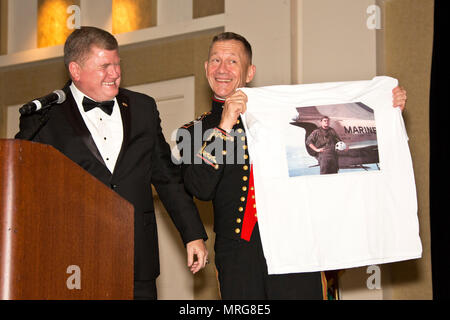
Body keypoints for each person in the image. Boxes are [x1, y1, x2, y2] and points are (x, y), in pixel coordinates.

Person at [176, 31, 408, 300]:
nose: (222, 69)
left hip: (295, 242)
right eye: (215, 61)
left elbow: (339, 135)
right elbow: (199, 186)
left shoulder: (279, 114)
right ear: (206, 68)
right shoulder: (193, 131)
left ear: (249, 72)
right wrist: (225, 124)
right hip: (239, 255)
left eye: (232, 61)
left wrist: (385, 112)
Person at [15, 26, 208, 300]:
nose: (115, 73)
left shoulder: (143, 108)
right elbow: (25, 188)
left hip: (137, 261)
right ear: (75, 70)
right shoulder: (45, 118)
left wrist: (193, 234)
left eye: (117, 64)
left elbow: (168, 178)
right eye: (104, 66)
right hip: (72, 264)